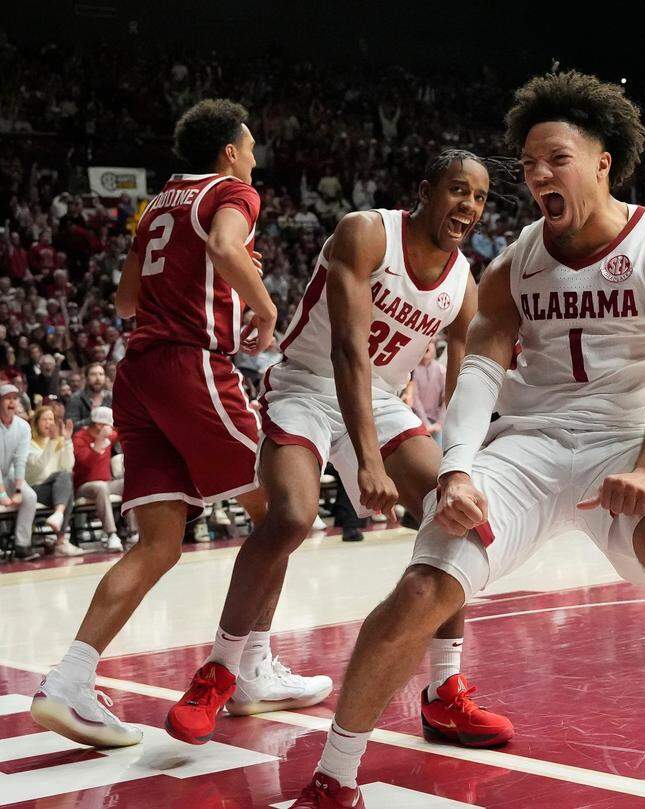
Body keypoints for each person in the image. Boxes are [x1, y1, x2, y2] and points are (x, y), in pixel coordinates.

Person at [290, 69, 645, 809]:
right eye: (526, 164)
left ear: (601, 163)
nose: (536, 175)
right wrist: (457, 468)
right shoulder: (512, 265)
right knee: (427, 582)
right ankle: (334, 780)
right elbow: (480, 376)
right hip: (529, 445)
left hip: (626, 440)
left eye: (554, 158)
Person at [171, 149, 512, 749]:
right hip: (305, 385)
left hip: (379, 400)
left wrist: (461, 466)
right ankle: (219, 670)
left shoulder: (465, 283)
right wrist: (371, 463)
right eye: (459, 190)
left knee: (456, 514)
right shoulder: (366, 233)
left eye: (480, 198)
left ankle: (443, 692)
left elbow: (461, 389)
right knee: (291, 518)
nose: (469, 207)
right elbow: (347, 351)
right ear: (427, 188)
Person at [31, 99, 317, 749]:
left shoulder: (157, 204)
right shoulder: (233, 192)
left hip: (138, 372)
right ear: (228, 153)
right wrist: (265, 305)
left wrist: (205, 272)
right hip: (192, 364)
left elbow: (126, 299)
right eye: (249, 147)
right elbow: (222, 243)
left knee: (157, 544)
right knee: (285, 507)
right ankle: (248, 668)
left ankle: (68, 678)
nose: (253, 157)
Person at [26, 405, 81, 556]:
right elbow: (38, 470)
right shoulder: (29, 443)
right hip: (34, 488)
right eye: (44, 419)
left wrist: (68, 441)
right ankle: (61, 541)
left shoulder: (58, 442)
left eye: (51, 419)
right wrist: (51, 442)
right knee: (66, 485)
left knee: (66, 478)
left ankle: (58, 515)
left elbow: (68, 467)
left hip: (56, 489)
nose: (48, 423)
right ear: (36, 422)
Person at [72, 406, 126, 552]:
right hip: (84, 486)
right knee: (100, 487)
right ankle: (111, 535)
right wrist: (100, 440)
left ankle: (133, 531)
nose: (112, 428)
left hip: (107, 483)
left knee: (130, 483)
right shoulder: (79, 438)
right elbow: (85, 464)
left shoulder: (110, 435)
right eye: (109, 425)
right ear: (99, 425)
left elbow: (123, 431)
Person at [0, 384, 40, 561]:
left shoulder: (23, 427)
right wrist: (2, 494)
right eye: (8, 398)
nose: (12, 402)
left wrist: (17, 491)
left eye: (15, 398)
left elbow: (20, 460)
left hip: (8, 473)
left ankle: (22, 545)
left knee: (29, 496)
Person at [411, 342, 446, 445]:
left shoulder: (441, 370)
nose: (427, 346)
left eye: (430, 343)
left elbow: (447, 396)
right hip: (416, 420)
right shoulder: (412, 370)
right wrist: (425, 423)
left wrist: (440, 423)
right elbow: (415, 398)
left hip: (436, 421)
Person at [64, 363, 112, 427]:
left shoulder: (111, 397)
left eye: (101, 374)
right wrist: (93, 419)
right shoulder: (75, 398)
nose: (98, 378)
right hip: (83, 436)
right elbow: (71, 427)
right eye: (93, 374)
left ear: (105, 377)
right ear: (86, 378)